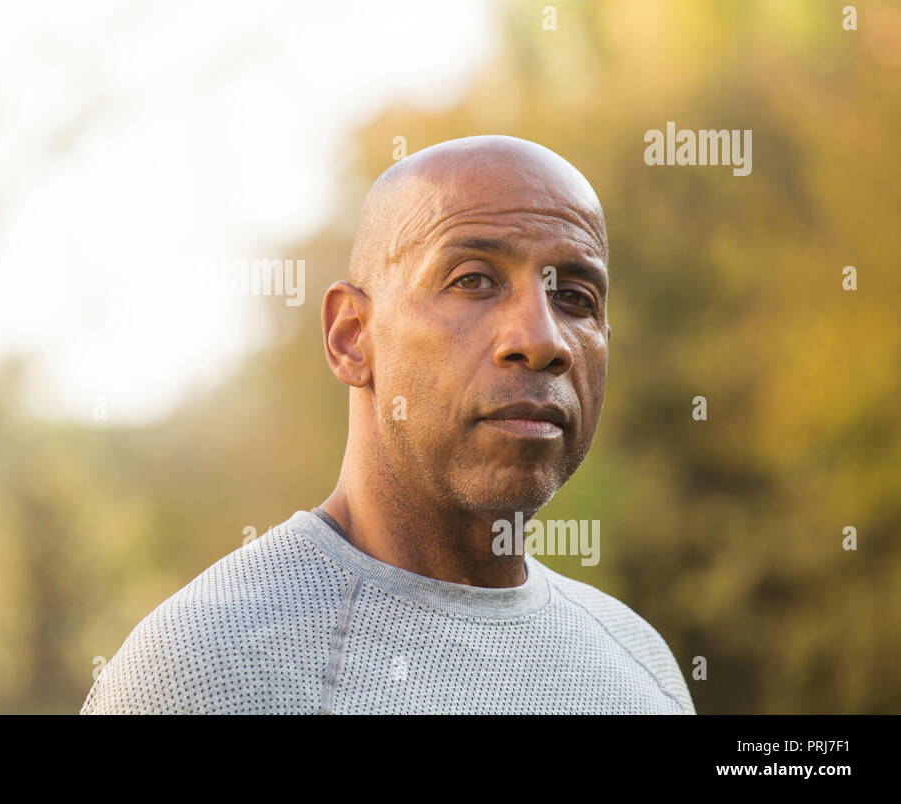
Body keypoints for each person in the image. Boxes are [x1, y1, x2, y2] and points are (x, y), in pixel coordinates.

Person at [81, 136, 695, 714]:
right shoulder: (206, 670)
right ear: (351, 336)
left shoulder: (642, 667)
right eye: (473, 281)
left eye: (575, 298)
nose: (541, 339)